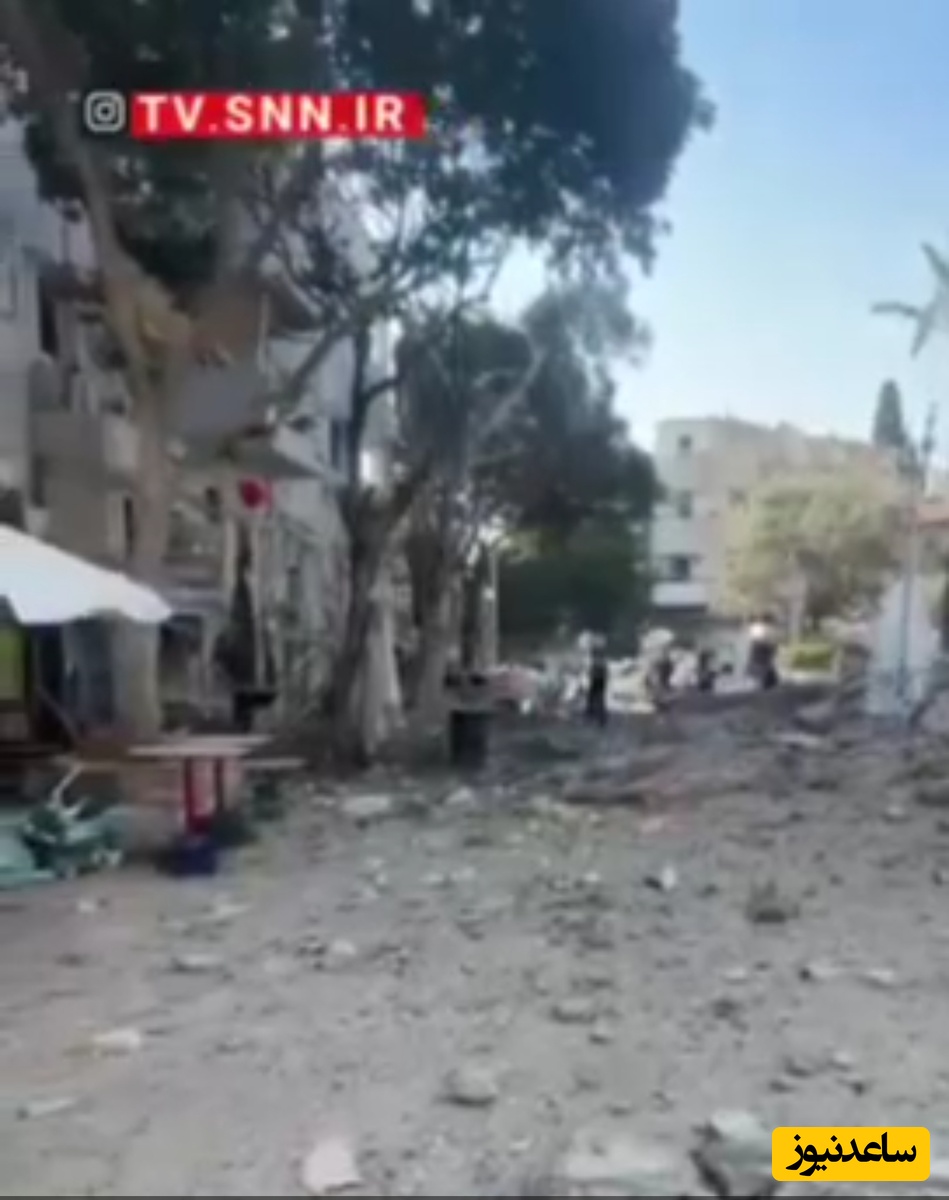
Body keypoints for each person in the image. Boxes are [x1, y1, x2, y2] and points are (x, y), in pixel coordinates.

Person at [747, 613, 779, 689]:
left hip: (760, 662)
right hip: (762, 662)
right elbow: (770, 647)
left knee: (762, 676)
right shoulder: (762, 629)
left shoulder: (757, 629)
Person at [585, 642, 609, 726]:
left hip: (597, 680)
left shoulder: (597, 661)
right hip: (600, 681)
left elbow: (592, 672)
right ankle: (598, 716)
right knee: (598, 698)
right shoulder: (601, 660)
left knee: (593, 698)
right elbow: (605, 673)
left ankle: (592, 715)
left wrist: (591, 675)